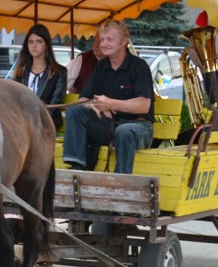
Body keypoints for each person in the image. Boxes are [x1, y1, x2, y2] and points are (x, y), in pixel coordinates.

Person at [62, 19, 154, 174]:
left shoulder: (139, 66)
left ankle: (121, 181)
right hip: (109, 125)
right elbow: (83, 99)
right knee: (75, 111)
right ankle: (77, 169)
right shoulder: (101, 66)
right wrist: (93, 105)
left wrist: (111, 104)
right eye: (102, 39)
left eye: (110, 39)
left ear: (124, 41)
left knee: (124, 131)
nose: (104, 44)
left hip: (140, 127)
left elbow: (143, 105)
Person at [11, 24, 67, 129]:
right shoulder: (20, 72)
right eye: (31, 42)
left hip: (47, 123)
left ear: (46, 45)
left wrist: (34, 117)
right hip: (22, 122)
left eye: (39, 41)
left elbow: (55, 104)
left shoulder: (59, 72)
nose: (34, 45)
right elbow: (13, 99)